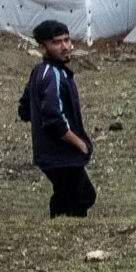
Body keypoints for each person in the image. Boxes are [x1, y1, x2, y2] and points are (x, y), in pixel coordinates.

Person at [19, 20, 95, 217]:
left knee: (68, 195)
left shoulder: (41, 71)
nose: (65, 47)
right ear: (43, 46)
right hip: (60, 155)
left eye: (67, 40)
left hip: (51, 154)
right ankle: (63, 231)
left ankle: (59, 227)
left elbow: (25, 109)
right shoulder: (52, 75)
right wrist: (80, 144)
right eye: (56, 42)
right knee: (82, 196)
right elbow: (54, 120)